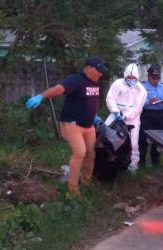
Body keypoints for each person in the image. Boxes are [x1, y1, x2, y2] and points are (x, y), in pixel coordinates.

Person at [25, 56, 107, 195]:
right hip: (71, 124)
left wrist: (94, 117)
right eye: (98, 70)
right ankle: (73, 190)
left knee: (91, 154)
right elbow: (58, 89)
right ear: (88, 68)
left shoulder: (95, 83)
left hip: (89, 126)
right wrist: (41, 96)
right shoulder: (76, 79)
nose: (101, 74)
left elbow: (89, 102)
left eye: (102, 71)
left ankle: (86, 183)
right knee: (80, 152)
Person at [106, 63, 147, 173]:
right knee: (105, 135)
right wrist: (115, 111)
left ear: (137, 77)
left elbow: (138, 108)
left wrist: (127, 116)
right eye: (129, 77)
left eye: (133, 78)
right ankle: (107, 161)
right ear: (125, 76)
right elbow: (110, 99)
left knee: (133, 143)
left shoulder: (141, 90)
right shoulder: (117, 84)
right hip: (116, 115)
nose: (131, 79)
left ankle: (133, 166)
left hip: (132, 119)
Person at [138, 65, 163, 168]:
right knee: (143, 140)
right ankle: (141, 163)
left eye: (157, 78)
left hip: (159, 116)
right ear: (148, 76)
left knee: (158, 141)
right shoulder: (142, 87)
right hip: (146, 115)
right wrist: (149, 102)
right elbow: (137, 103)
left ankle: (156, 162)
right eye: (153, 78)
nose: (155, 80)